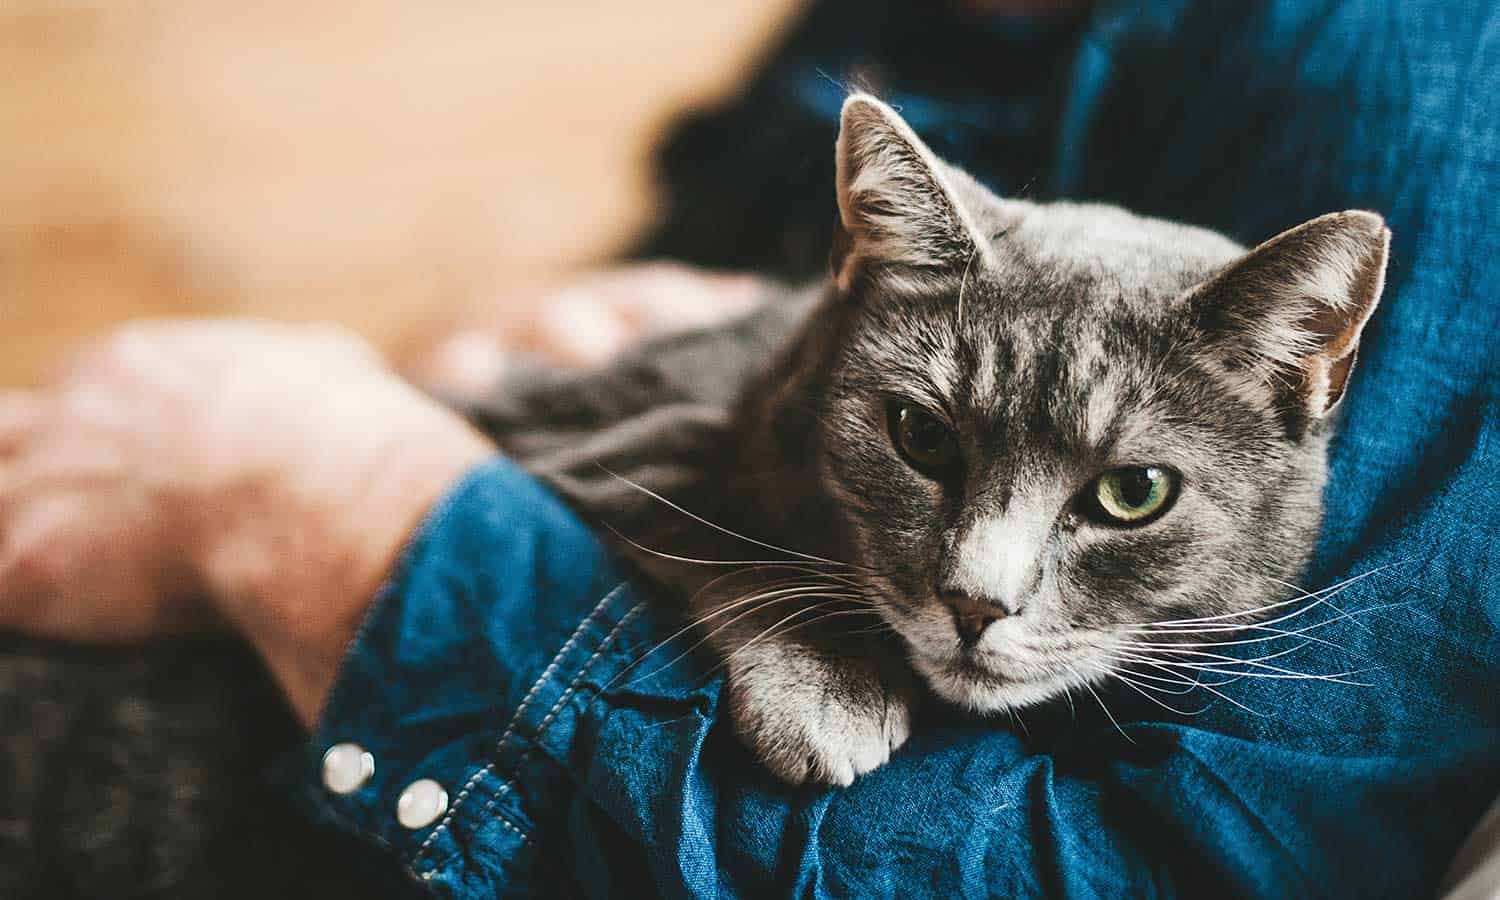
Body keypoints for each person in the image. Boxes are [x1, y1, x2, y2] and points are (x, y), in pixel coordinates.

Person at [2, 0, 1498, 896]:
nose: (981, 581)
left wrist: (308, 495)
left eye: (1126, 492)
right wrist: (477, 350)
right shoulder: (896, 37)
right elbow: (640, 425)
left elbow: (1144, 875)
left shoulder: (1430, 81)